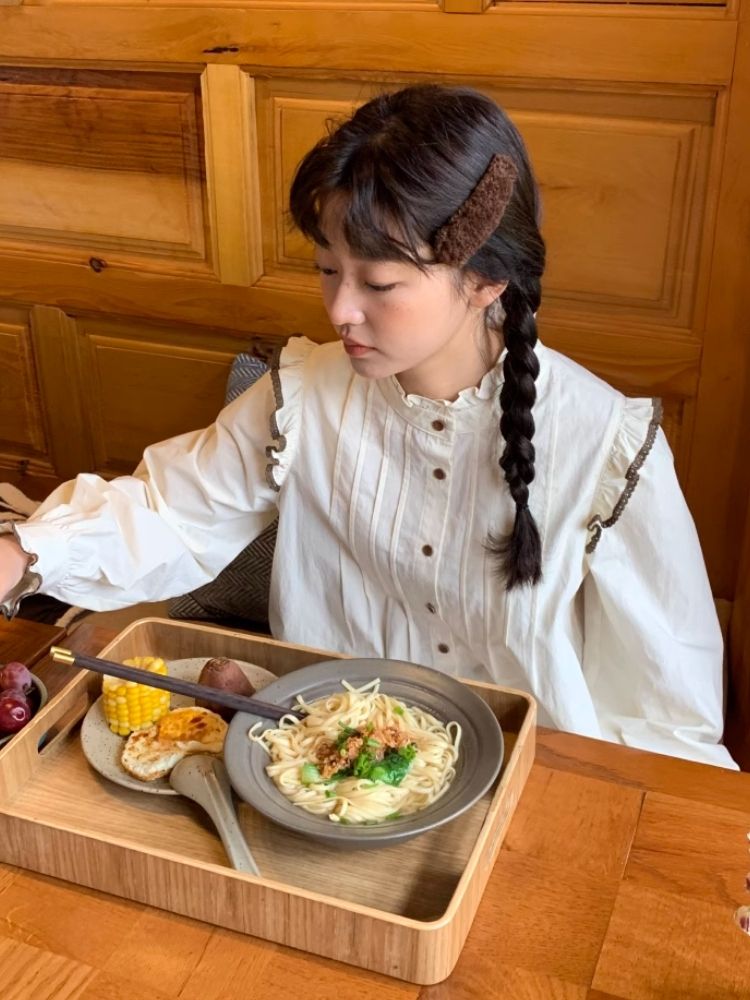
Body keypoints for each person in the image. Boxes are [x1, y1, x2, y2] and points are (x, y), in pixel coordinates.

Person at [0, 84, 735, 769]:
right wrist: (24, 552)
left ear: (486, 280)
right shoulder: (303, 395)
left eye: (379, 283)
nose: (340, 310)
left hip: (525, 785)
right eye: (327, 269)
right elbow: (170, 513)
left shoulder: (607, 446)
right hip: (317, 767)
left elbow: (665, 713)